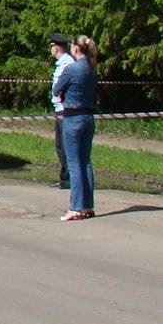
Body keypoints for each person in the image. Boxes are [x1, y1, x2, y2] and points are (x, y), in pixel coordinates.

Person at [52, 34, 98, 221]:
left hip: (72, 117)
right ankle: (87, 205)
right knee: (85, 161)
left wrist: (63, 92)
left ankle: (76, 207)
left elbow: (56, 89)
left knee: (74, 163)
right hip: (88, 116)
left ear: (76, 49)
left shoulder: (72, 69)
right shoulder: (92, 68)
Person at [49, 33, 74, 189]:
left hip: (65, 110)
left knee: (66, 146)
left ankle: (69, 179)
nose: (50, 50)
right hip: (59, 109)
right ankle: (65, 178)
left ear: (56, 47)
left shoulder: (67, 63)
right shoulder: (61, 63)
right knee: (60, 146)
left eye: (51, 46)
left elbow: (63, 87)